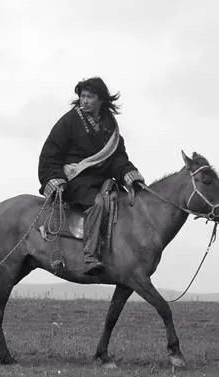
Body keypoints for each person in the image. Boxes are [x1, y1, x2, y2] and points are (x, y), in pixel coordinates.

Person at [38, 77, 144, 274]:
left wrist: (129, 174)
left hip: (101, 181)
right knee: (98, 203)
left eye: (90, 97)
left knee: (119, 202)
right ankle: (89, 256)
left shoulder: (111, 128)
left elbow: (117, 159)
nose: (84, 101)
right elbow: (50, 153)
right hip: (74, 181)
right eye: (82, 96)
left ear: (101, 99)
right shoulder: (69, 121)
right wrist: (54, 178)